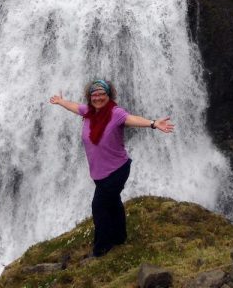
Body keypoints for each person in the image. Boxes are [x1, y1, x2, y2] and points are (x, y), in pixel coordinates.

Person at [50, 79, 174, 256]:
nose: (98, 98)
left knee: (99, 207)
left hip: (117, 170)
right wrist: (61, 102)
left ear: (109, 96)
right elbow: (75, 107)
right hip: (99, 173)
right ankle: (120, 237)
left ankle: (102, 247)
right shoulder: (89, 112)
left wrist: (153, 123)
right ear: (90, 97)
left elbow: (132, 119)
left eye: (102, 94)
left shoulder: (116, 113)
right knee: (113, 202)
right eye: (94, 95)